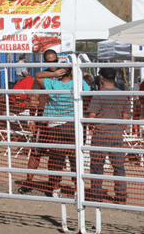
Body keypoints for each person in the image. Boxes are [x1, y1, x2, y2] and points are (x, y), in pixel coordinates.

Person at [34, 50, 91, 197]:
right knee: (75, 159)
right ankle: (78, 189)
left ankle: (55, 188)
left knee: (55, 159)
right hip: (74, 126)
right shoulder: (81, 84)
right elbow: (89, 96)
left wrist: (53, 74)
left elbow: (38, 75)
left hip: (55, 126)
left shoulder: (51, 83)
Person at [87, 67, 131, 204]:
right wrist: (119, 130)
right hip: (116, 136)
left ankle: (96, 194)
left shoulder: (99, 95)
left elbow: (92, 116)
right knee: (119, 167)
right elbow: (125, 116)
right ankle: (121, 195)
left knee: (96, 167)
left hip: (100, 135)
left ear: (101, 78)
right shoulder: (122, 94)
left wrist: (91, 128)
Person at [18, 50, 59, 194]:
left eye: (54, 61)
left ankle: (53, 185)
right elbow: (33, 98)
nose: (52, 64)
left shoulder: (65, 75)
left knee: (56, 155)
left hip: (60, 120)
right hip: (42, 118)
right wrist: (32, 119)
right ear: (45, 62)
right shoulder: (41, 77)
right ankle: (28, 182)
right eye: (49, 62)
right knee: (36, 152)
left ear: (57, 60)